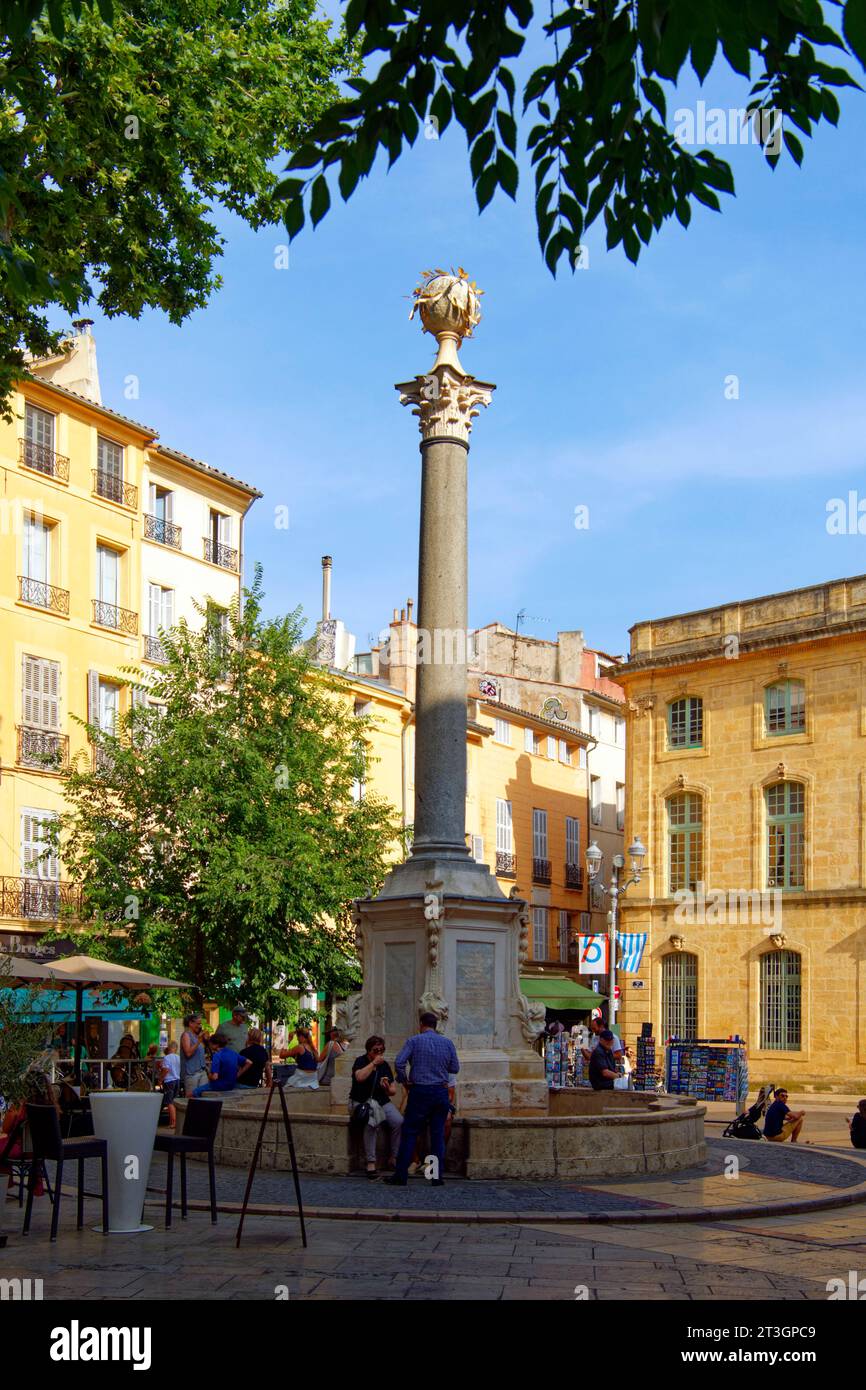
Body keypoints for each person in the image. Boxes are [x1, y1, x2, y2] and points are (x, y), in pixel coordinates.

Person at [384, 1013, 459, 1188]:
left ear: (421, 1024)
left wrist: (404, 1080)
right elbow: (455, 1067)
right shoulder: (447, 1043)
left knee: (410, 1132)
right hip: (440, 1092)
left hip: (420, 1091)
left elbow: (399, 1062)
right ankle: (436, 1176)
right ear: (435, 1025)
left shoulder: (414, 1041)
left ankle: (401, 1175)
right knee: (437, 1135)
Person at [350, 1036, 404, 1178]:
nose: (379, 1053)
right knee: (371, 1122)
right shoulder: (360, 1061)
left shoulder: (384, 1065)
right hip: (362, 1102)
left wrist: (386, 1087)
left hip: (381, 1101)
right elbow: (359, 1077)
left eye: (381, 1050)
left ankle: (394, 1157)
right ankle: (371, 1162)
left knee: (398, 1121)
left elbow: (393, 1091)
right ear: (369, 1050)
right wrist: (373, 1063)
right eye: (375, 1050)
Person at [180, 1013, 209, 1097]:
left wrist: (205, 1040)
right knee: (191, 1098)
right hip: (191, 1073)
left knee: (204, 1096)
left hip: (202, 1071)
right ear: (190, 1023)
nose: (200, 1026)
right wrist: (198, 1041)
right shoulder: (186, 1035)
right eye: (198, 1024)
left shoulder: (197, 1036)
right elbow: (188, 1053)